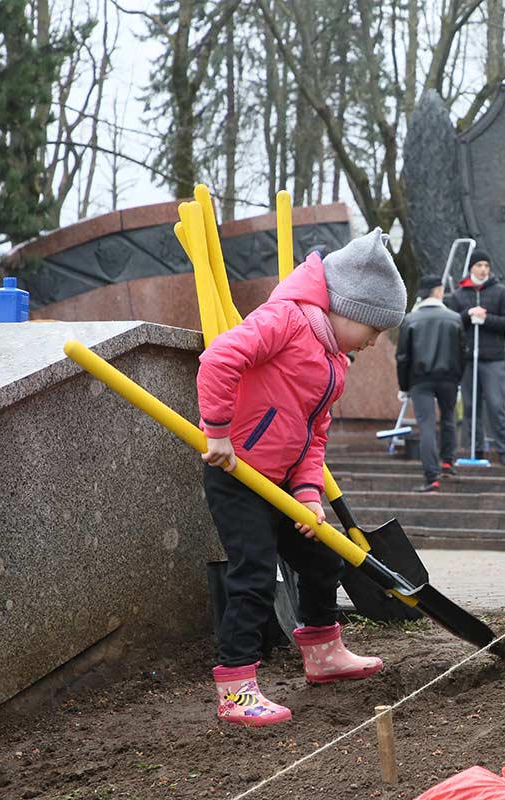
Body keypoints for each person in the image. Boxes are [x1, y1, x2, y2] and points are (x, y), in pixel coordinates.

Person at [197, 228, 407, 726]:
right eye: (374, 329)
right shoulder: (285, 319)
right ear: (349, 307)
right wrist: (219, 432)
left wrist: (310, 494)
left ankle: (322, 652)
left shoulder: (335, 359)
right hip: (240, 475)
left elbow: (316, 437)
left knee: (320, 559)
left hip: (285, 483)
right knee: (252, 576)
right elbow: (219, 359)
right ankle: (236, 686)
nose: (376, 342)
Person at [444, 250, 505, 465]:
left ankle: (504, 452)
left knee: (496, 405)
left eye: (486, 266)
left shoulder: (501, 293)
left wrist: (486, 319)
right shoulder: (459, 295)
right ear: (471, 268)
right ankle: (476, 450)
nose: (483, 270)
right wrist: (468, 315)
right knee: (470, 407)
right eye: (479, 266)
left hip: (493, 358)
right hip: (468, 359)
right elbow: (453, 323)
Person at [397, 274, 464, 492]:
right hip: (449, 378)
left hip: (420, 379)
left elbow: (403, 357)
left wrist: (404, 386)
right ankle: (447, 462)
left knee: (426, 425)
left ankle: (431, 476)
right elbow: (462, 352)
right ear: (438, 291)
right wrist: (458, 378)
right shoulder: (454, 318)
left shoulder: (410, 319)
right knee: (448, 418)